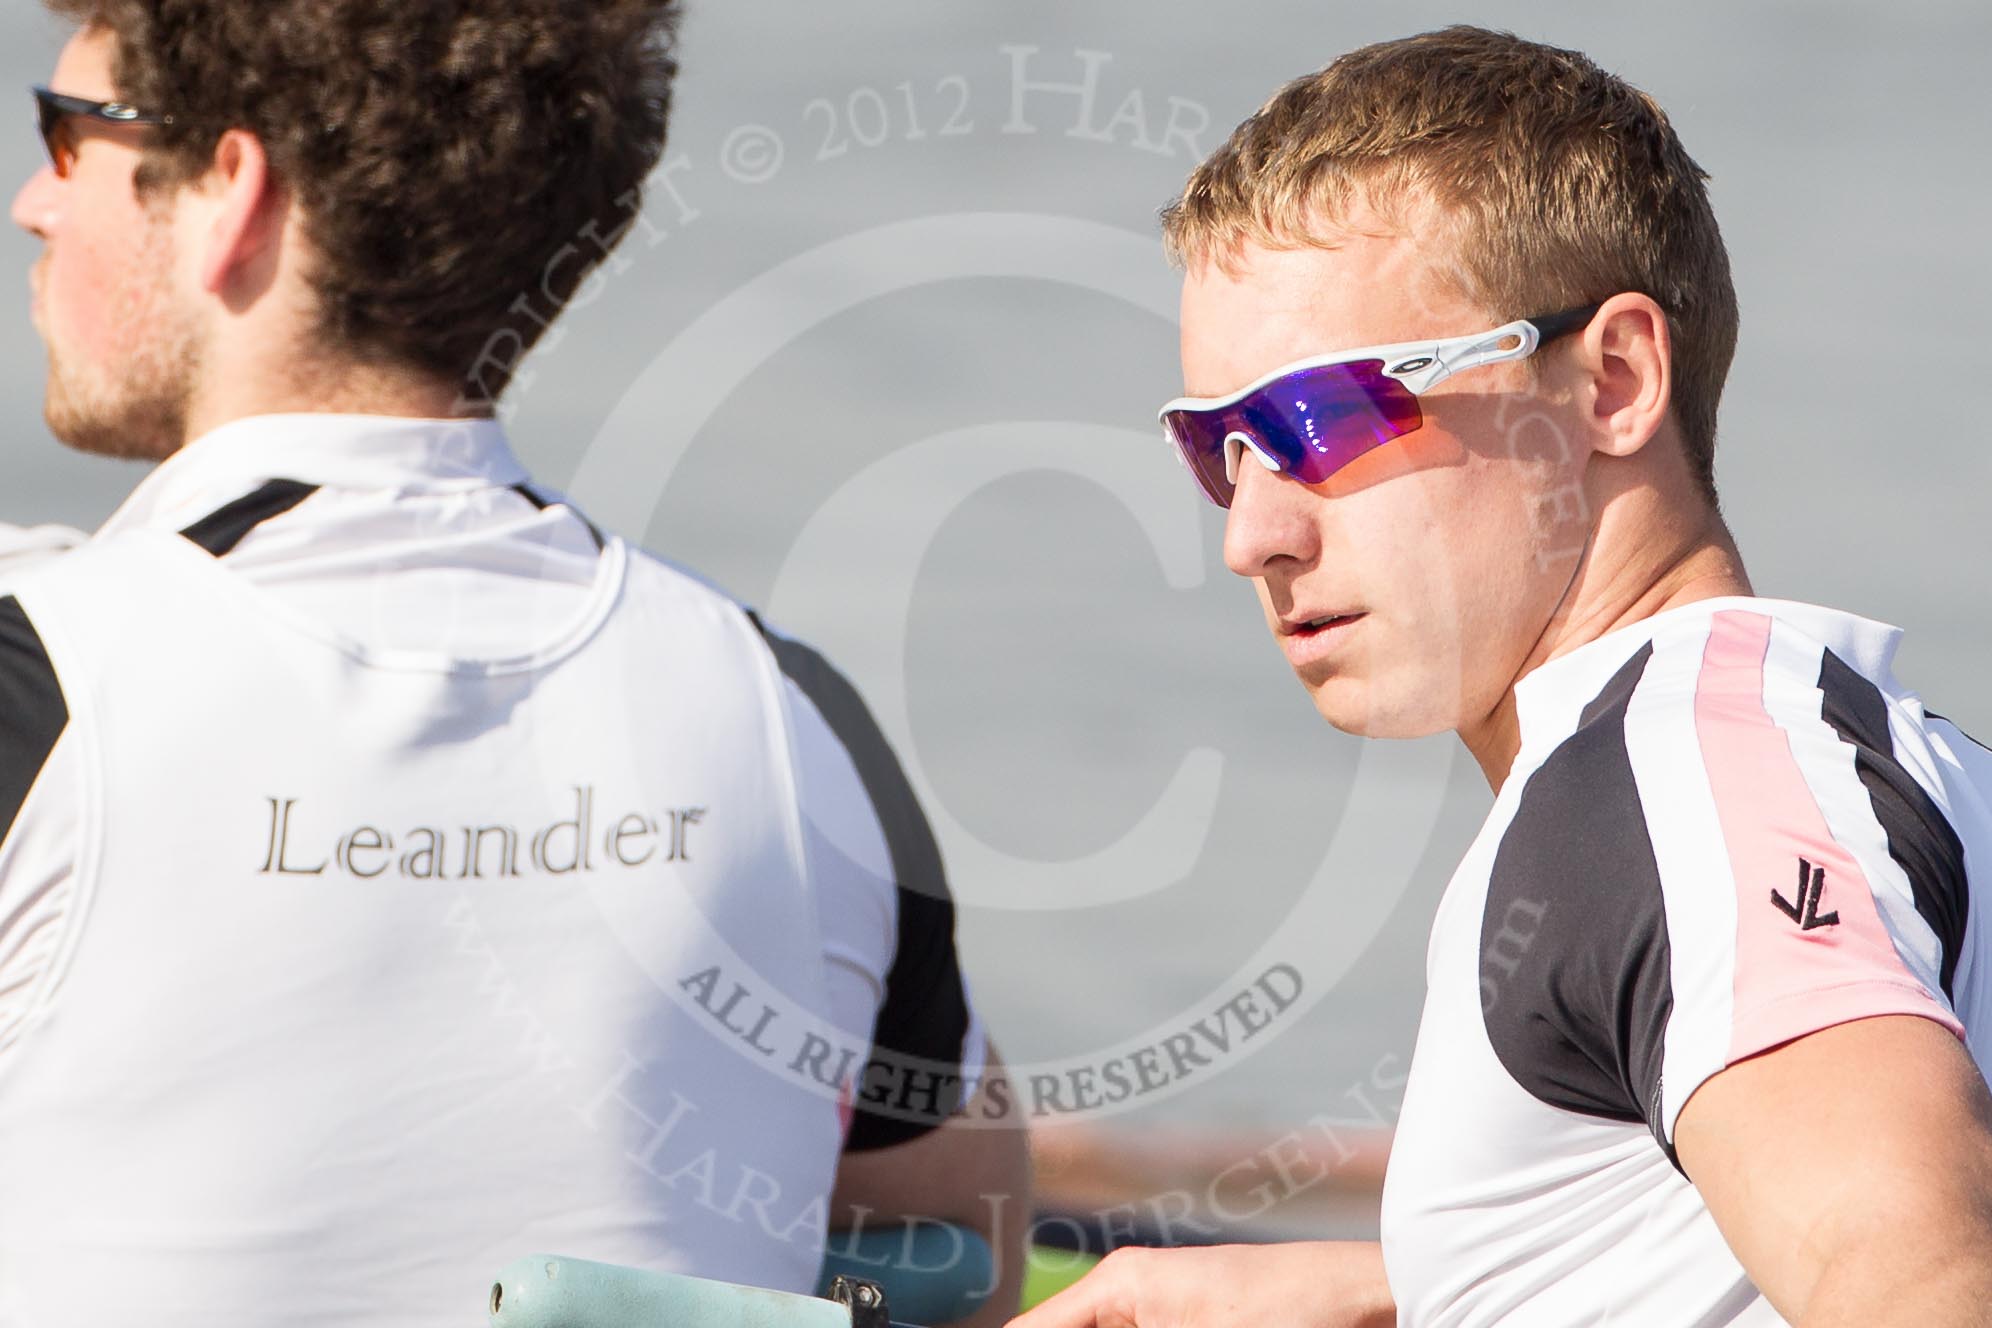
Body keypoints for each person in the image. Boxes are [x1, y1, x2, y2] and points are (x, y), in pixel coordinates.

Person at [0, 4, 1027, 1325]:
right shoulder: (794, 716)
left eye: (70, 138)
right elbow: (968, 1249)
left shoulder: (46, 683)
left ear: (231, 195)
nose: (35, 202)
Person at [1014, 24, 1992, 1328]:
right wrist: (1404, 1303)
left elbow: (1924, 1286)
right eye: (1224, 446)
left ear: (1614, 381)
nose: (1252, 535)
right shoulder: (1858, 755)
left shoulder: (1680, 799)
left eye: (1325, 417)